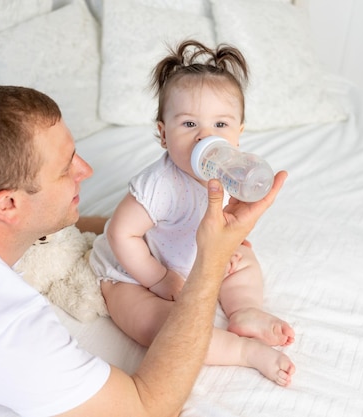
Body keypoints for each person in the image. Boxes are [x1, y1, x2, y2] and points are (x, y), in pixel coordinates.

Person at [0, 84, 288, 416]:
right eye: (66, 169)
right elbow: (146, 409)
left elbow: (73, 227)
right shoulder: (2, 326)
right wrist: (210, 263)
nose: (87, 170)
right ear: (8, 204)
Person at [91, 40, 295, 386]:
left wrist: (230, 246)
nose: (206, 138)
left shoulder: (230, 171)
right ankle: (243, 352)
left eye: (220, 125)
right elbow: (121, 233)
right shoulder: (158, 184)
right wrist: (158, 279)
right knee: (160, 327)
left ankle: (245, 310)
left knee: (245, 261)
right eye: (188, 125)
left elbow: (220, 222)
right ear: (163, 134)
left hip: (198, 260)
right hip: (134, 273)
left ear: (238, 135)